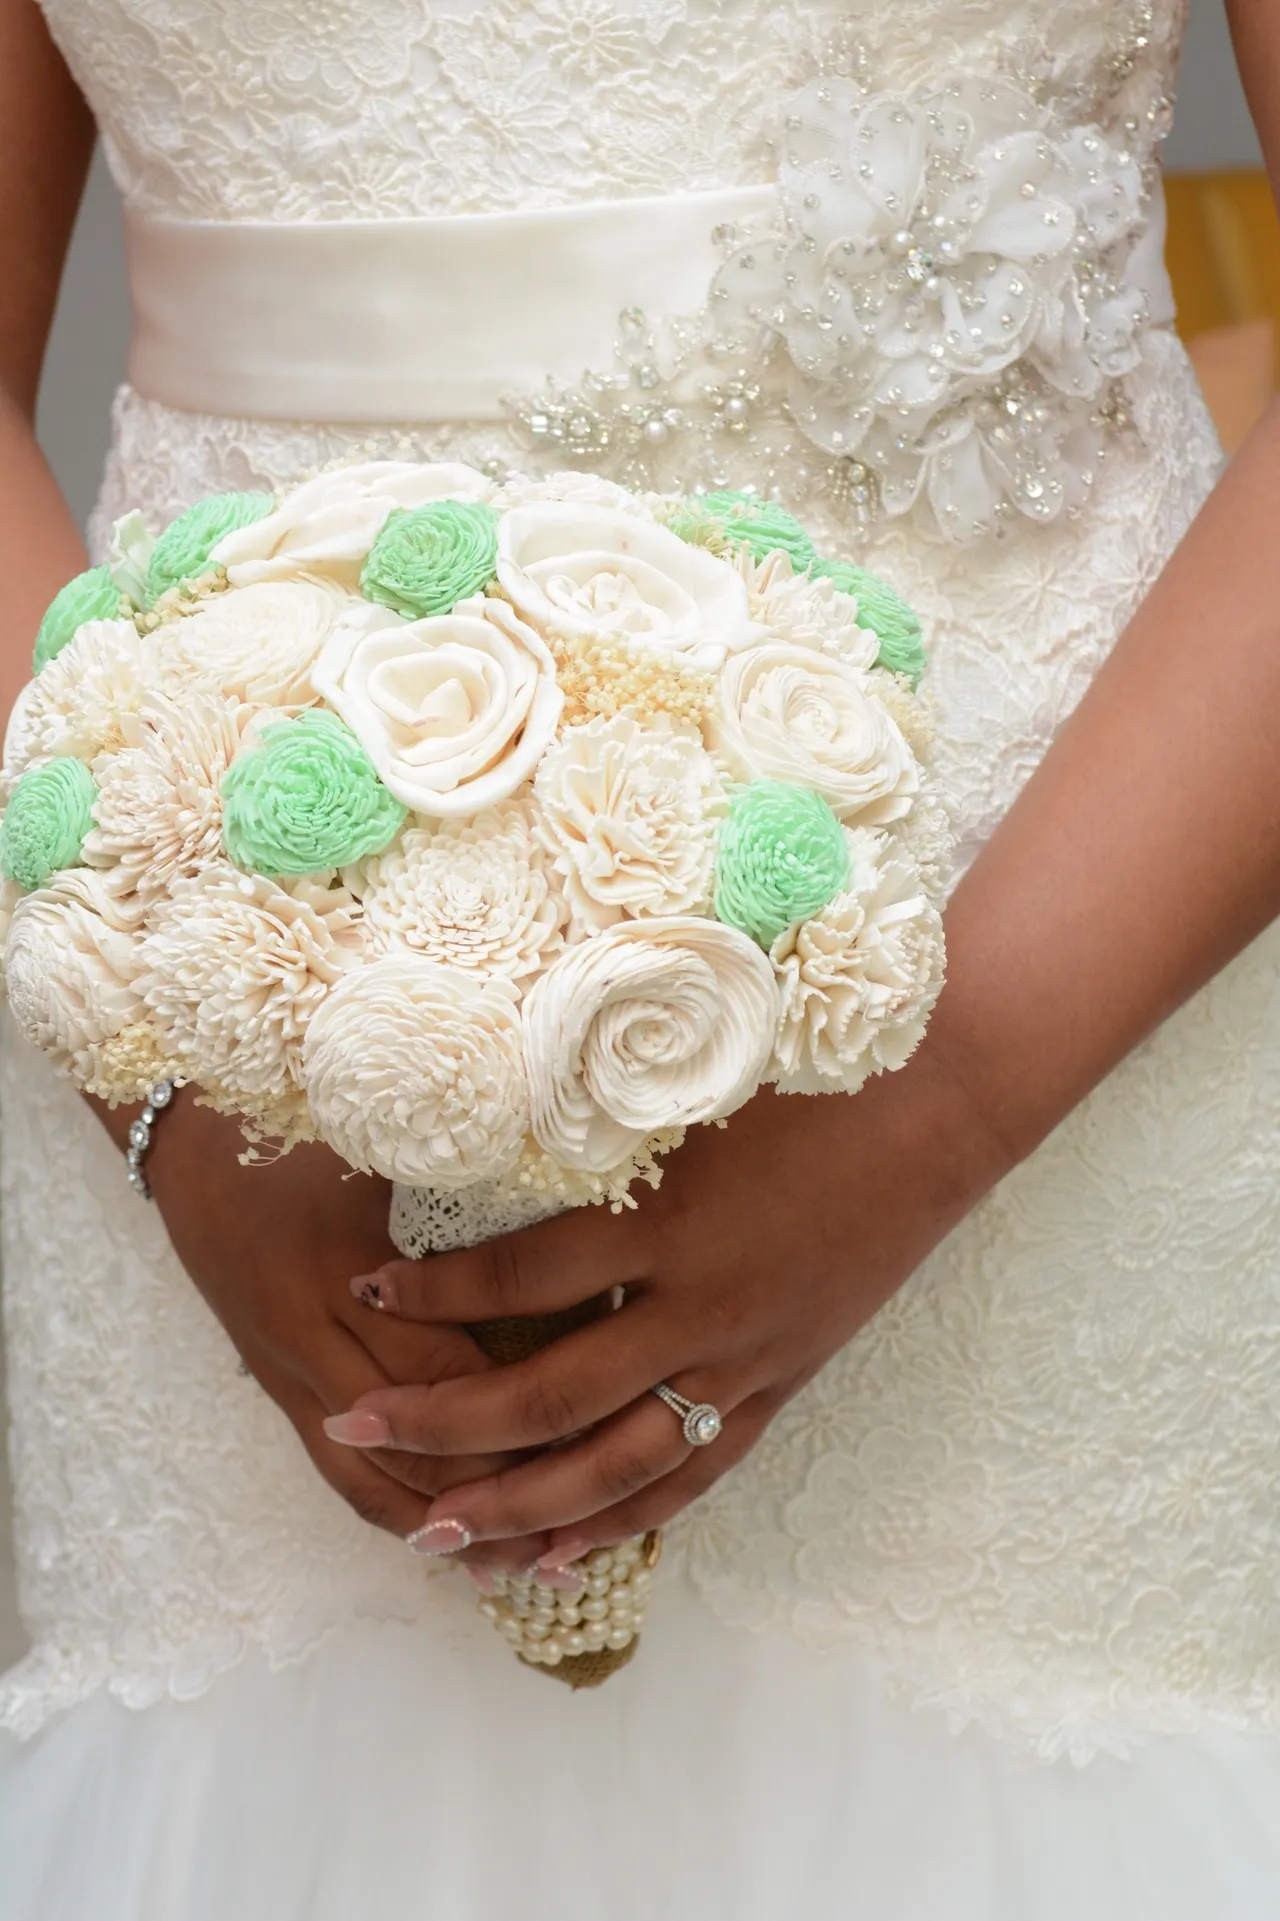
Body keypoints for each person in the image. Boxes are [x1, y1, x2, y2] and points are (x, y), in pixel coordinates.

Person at [3, 0, 1280, 1913]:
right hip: (218, 1017)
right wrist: (176, 1091)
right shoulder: (191, 1083)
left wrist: (944, 1106)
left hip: (1070, 973)